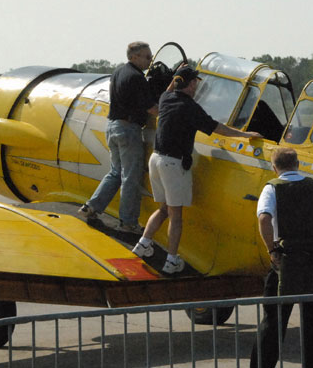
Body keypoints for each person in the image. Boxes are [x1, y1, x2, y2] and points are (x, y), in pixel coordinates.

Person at [131, 66, 262, 274]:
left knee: (163, 208)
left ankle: (143, 244)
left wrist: (178, 76)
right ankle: (171, 260)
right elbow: (216, 127)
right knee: (176, 216)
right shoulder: (189, 107)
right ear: (191, 84)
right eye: (195, 83)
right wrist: (244, 135)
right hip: (173, 164)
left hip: (155, 160)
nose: (196, 87)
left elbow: (170, 87)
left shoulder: (165, 98)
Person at [250, 147, 313, 368]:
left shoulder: (272, 188)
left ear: (275, 167)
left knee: (273, 323)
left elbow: (264, 218)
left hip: (287, 263)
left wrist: (272, 249)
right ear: (298, 164)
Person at [78, 41, 158, 234]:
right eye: (147, 56)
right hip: (129, 130)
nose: (150, 60)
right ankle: (128, 222)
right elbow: (151, 108)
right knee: (131, 177)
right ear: (134, 57)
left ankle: (92, 206)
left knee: (115, 172)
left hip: (112, 126)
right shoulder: (137, 78)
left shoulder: (119, 72)